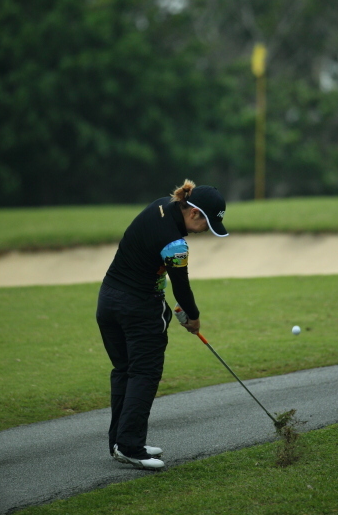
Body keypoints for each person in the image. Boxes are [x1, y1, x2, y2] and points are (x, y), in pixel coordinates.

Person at [96, 179, 228, 470]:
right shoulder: (176, 244)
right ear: (194, 213)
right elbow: (181, 286)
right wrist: (192, 317)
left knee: (124, 370)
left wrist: (172, 305)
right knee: (145, 371)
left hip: (108, 301)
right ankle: (129, 445)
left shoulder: (160, 205)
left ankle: (120, 442)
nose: (207, 230)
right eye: (208, 223)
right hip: (138, 308)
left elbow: (147, 262)